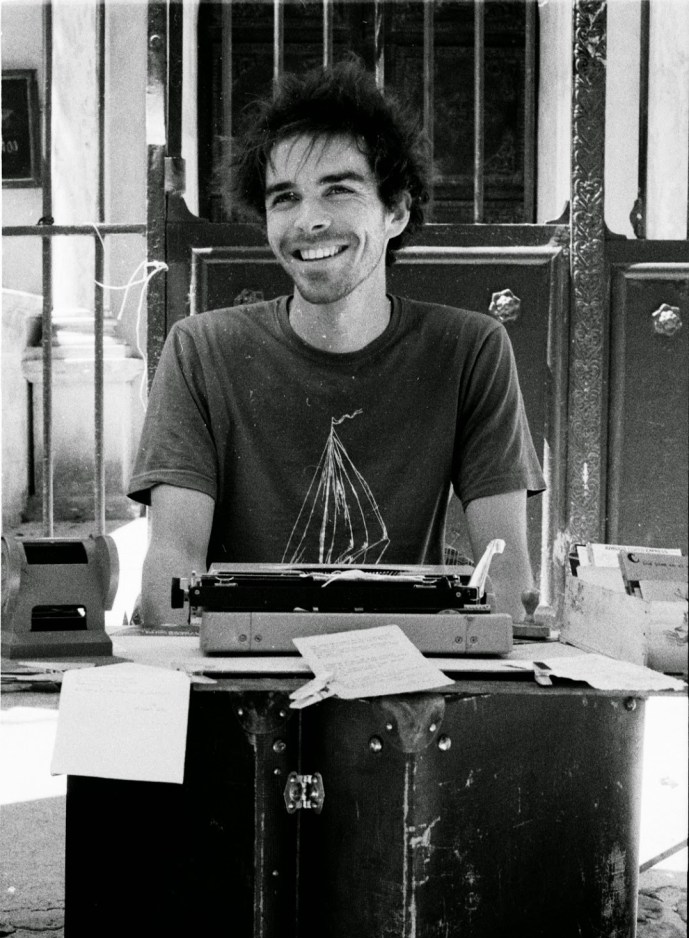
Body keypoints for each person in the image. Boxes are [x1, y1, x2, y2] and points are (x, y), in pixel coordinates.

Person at [128, 59, 545, 626]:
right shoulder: (200, 351)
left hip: (405, 663)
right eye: (284, 198)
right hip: (242, 660)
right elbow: (172, 569)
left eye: (339, 190)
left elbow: (506, 576)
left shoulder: (470, 350)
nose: (309, 221)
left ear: (396, 211)